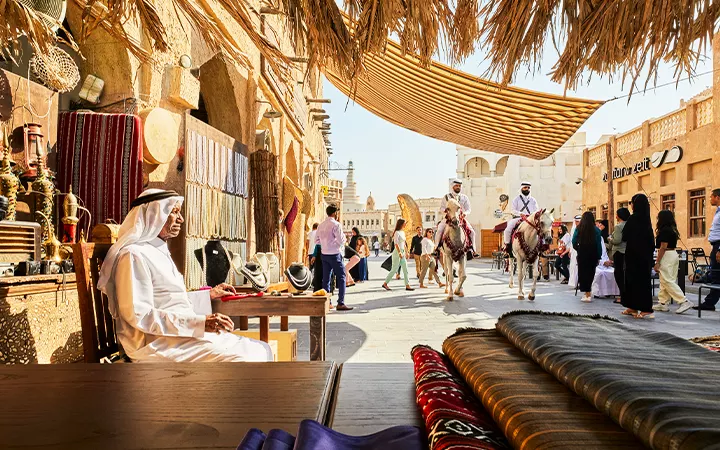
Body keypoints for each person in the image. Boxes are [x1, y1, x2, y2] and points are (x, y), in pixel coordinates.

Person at [97, 189, 273, 362]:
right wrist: (199, 323)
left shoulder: (156, 250)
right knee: (244, 359)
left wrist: (207, 295)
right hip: (156, 344)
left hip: (179, 336)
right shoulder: (133, 255)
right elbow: (140, 315)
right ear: (153, 215)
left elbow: (170, 301)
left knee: (262, 349)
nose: (181, 219)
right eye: (174, 212)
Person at [653, 210, 694, 314]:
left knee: (667, 280)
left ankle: (683, 301)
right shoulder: (672, 229)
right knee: (665, 279)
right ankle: (663, 303)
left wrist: (657, 262)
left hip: (666, 255)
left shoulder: (664, 230)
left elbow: (663, 247)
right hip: (673, 254)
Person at [622, 194, 655, 319]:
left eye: (631, 202)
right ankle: (633, 307)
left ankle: (646, 309)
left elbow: (625, 236)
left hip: (635, 256)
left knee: (635, 282)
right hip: (644, 256)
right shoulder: (646, 219)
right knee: (640, 282)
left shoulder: (634, 218)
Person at [317, 205, 354, 311]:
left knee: (326, 279)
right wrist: (335, 243)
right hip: (335, 253)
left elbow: (317, 241)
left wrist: (325, 244)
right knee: (341, 277)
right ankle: (341, 303)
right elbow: (342, 240)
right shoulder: (336, 225)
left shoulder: (321, 225)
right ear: (334, 213)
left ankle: (327, 303)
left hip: (324, 254)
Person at [436, 180, 477, 256]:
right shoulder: (446, 197)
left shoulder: (464, 197)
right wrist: (445, 211)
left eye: (459, 186)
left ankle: (472, 249)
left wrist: (465, 213)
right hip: (448, 218)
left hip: (460, 218)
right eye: (456, 186)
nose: (458, 187)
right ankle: (436, 249)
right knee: (439, 230)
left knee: (472, 232)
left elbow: (468, 209)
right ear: (453, 187)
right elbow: (441, 208)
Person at [695, 188, 720, 312]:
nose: (710, 199)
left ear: (718, 197)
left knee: (716, 275)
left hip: (718, 246)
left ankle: (709, 303)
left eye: (711, 197)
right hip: (715, 246)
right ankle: (710, 302)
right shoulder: (718, 211)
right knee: (716, 275)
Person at [572, 211, 603, 302]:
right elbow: (598, 244)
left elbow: (574, 241)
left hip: (582, 252)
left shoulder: (579, 228)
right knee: (590, 272)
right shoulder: (596, 230)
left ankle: (587, 292)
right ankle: (588, 292)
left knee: (582, 272)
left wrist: (578, 248)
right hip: (593, 253)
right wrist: (599, 255)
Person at [504, 182, 540, 254]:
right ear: (521, 189)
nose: (527, 189)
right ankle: (507, 247)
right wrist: (520, 214)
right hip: (518, 218)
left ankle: (542, 248)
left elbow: (536, 211)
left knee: (541, 228)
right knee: (507, 230)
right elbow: (513, 210)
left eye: (528, 188)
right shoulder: (516, 199)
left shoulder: (533, 200)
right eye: (525, 187)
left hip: (530, 219)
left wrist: (532, 216)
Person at [382, 219, 414, 291]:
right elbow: (396, 244)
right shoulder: (397, 233)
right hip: (397, 252)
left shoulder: (403, 232)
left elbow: (404, 243)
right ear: (401, 224)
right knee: (394, 269)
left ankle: (407, 285)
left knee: (405, 269)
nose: (405, 224)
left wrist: (407, 252)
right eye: (405, 223)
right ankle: (385, 283)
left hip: (402, 252)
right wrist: (399, 253)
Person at [608, 208, 630, 304]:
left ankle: (622, 296)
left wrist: (610, 239)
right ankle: (626, 295)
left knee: (619, 274)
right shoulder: (629, 225)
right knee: (625, 274)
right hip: (627, 251)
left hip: (618, 252)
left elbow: (617, 240)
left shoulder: (618, 227)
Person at [568, 215, 582, 288]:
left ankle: (580, 282)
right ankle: (575, 282)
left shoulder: (583, 228)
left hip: (580, 249)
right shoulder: (573, 229)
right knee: (573, 266)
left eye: (578, 221)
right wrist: (570, 250)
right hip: (574, 250)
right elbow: (572, 241)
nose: (577, 223)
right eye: (576, 222)